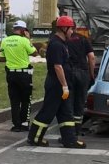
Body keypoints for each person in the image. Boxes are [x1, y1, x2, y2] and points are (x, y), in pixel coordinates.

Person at [27, 16, 86, 149]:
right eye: (71, 29)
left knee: (66, 112)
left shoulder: (62, 43)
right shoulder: (56, 44)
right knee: (48, 111)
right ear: (64, 28)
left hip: (62, 84)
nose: (72, 32)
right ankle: (34, 137)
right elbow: (58, 67)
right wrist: (64, 86)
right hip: (57, 84)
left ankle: (69, 140)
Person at [0, 20, 36, 132]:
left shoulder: (5, 40)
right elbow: (34, 53)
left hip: (11, 74)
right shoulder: (24, 40)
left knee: (14, 100)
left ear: (14, 29)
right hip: (24, 74)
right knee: (26, 100)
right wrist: (28, 39)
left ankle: (16, 125)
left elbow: (2, 58)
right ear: (23, 30)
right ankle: (24, 123)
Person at [66, 27, 95, 125]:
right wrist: (91, 74)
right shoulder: (83, 39)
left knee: (69, 102)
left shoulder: (65, 40)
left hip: (69, 73)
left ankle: (68, 129)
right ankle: (77, 129)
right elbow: (91, 57)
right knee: (80, 102)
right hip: (82, 73)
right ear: (75, 28)